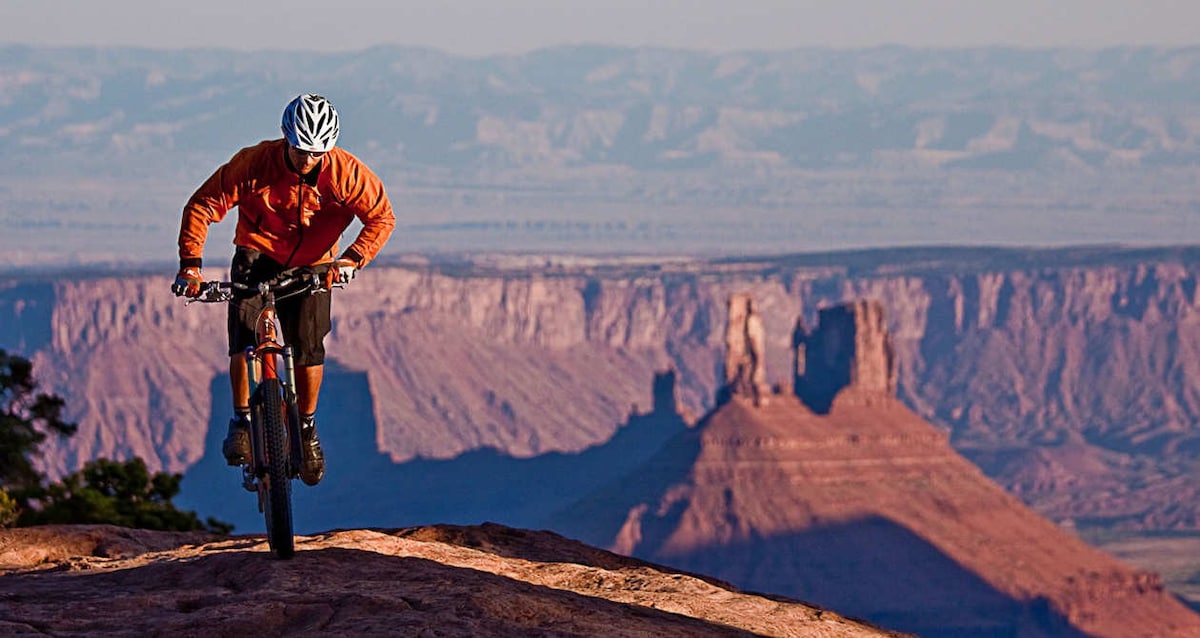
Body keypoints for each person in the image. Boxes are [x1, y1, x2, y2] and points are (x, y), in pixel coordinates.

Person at [172, 94, 395, 486]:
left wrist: (350, 260)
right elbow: (204, 204)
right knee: (243, 334)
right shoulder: (255, 163)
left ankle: (306, 429)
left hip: (315, 264)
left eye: (317, 152)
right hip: (258, 253)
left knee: (309, 346)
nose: (308, 160)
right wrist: (191, 266)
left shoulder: (346, 173)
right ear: (285, 139)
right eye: (300, 150)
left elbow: (381, 217)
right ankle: (242, 420)